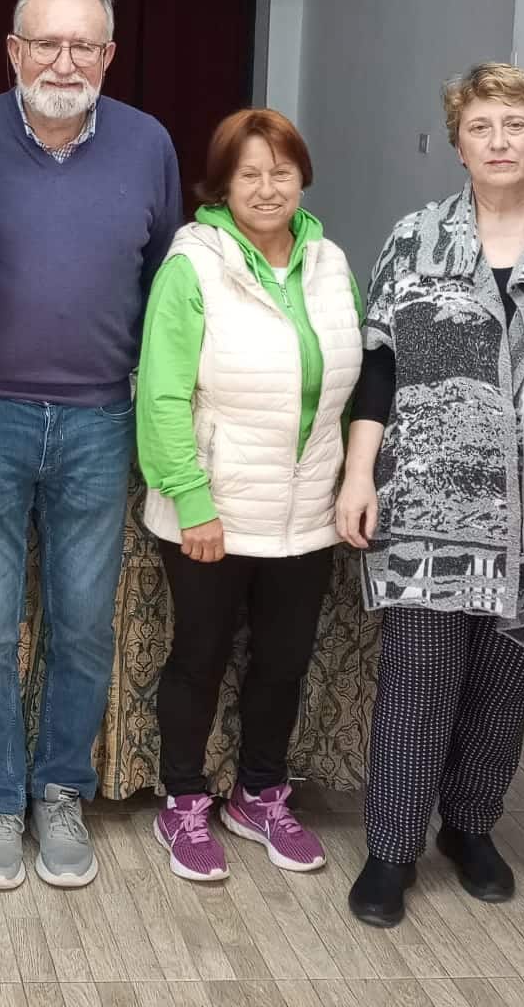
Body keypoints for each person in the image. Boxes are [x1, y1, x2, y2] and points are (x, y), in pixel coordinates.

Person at [336, 63, 524, 928]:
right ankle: (390, 849)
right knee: (418, 675)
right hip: (426, 498)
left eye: (516, 123)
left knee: (503, 680)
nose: (499, 140)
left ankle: (471, 826)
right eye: (481, 126)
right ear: (457, 143)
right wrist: (357, 470)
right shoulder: (414, 236)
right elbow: (378, 362)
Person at [0, 0, 179, 892]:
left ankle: (59, 791)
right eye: (46, 45)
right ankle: (0, 801)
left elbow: (167, 286)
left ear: (109, 58)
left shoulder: (148, 142)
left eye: (84, 48)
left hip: (99, 420)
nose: (64, 64)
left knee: (83, 626)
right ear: (12, 49)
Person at [138, 108, 360, 883]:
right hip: (213, 510)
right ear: (223, 185)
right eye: (249, 174)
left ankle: (260, 794)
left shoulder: (330, 261)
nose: (267, 188)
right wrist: (191, 500)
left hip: (305, 513)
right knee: (199, 659)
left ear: (302, 177)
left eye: (282, 172)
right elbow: (161, 397)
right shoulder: (192, 266)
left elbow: (349, 379)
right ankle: (185, 802)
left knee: (284, 661)